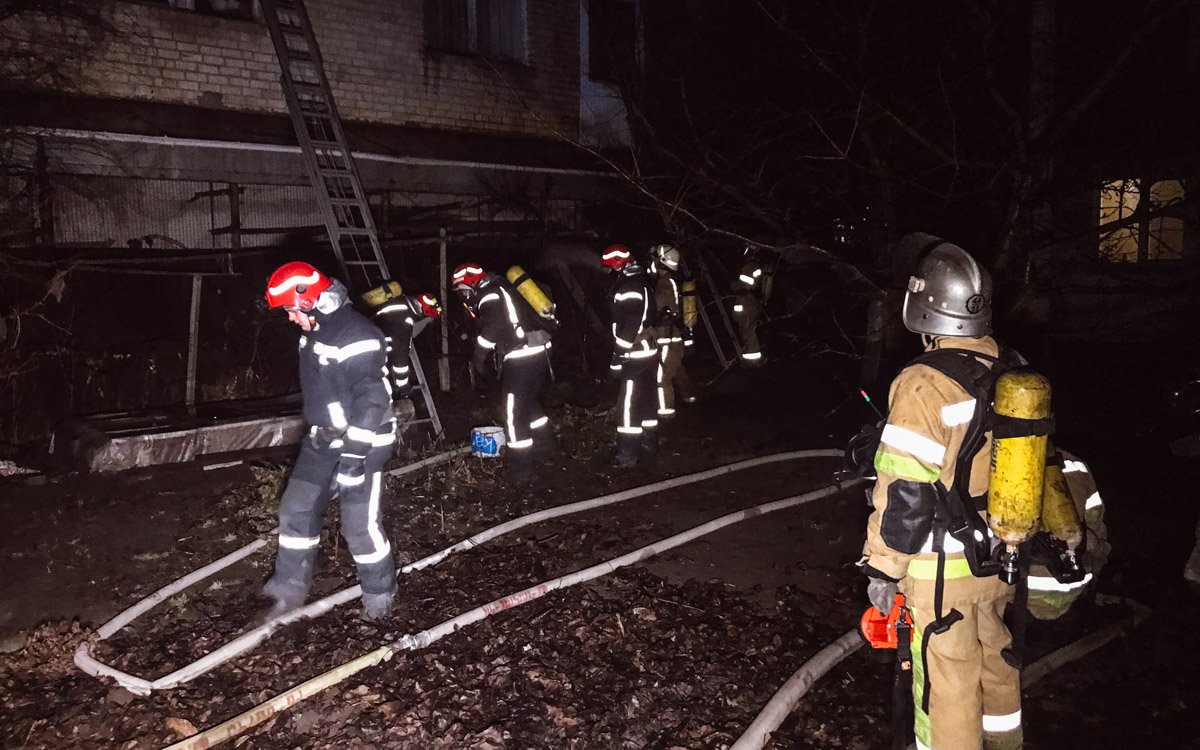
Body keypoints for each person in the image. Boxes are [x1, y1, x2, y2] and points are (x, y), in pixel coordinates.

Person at [860, 241, 1022, 750]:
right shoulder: (1011, 367)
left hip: (938, 570)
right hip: (999, 557)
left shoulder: (924, 383)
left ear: (924, 306)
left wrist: (883, 570)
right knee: (996, 663)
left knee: (944, 684)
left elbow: (905, 490)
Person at [261, 262, 398, 622]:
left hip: (364, 442)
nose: (291, 319)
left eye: (292, 310)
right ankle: (286, 593)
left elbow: (372, 404)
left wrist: (352, 461)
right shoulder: (316, 329)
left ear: (312, 301)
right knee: (296, 511)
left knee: (358, 525)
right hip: (323, 440)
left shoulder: (357, 334)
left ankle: (379, 597)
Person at [452, 262, 553, 482]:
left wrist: (478, 355)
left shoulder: (489, 294)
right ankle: (546, 449)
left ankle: (519, 470)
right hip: (538, 352)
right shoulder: (504, 287)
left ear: (471, 283)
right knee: (529, 402)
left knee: (513, 413)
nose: (462, 295)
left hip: (521, 357)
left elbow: (493, 328)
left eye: (461, 289)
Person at [602, 244, 660, 467]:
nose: (610, 271)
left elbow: (628, 328)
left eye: (611, 266)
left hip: (635, 356)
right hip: (647, 353)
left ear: (619, 263)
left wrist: (617, 360)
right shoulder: (640, 280)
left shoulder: (630, 287)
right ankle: (649, 445)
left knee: (627, 406)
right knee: (646, 402)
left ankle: (626, 455)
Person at [650, 243, 696, 417]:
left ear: (661, 261)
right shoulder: (668, 281)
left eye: (654, 258)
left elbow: (660, 311)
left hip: (667, 338)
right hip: (673, 338)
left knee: (661, 377)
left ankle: (665, 413)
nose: (651, 261)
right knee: (675, 367)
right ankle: (690, 397)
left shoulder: (664, 285)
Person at [373, 291, 441, 397]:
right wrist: (404, 385)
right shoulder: (405, 321)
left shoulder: (399, 302)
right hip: (369, 355)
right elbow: (400, 355)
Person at [732, 245, 771, 364]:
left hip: (747, 304)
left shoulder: (751, 267)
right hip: (746, 303)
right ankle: (749, 359)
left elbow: (744, 285)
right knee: (747, 330)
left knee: (749, 331)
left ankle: (752, 361)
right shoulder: (755, 267)